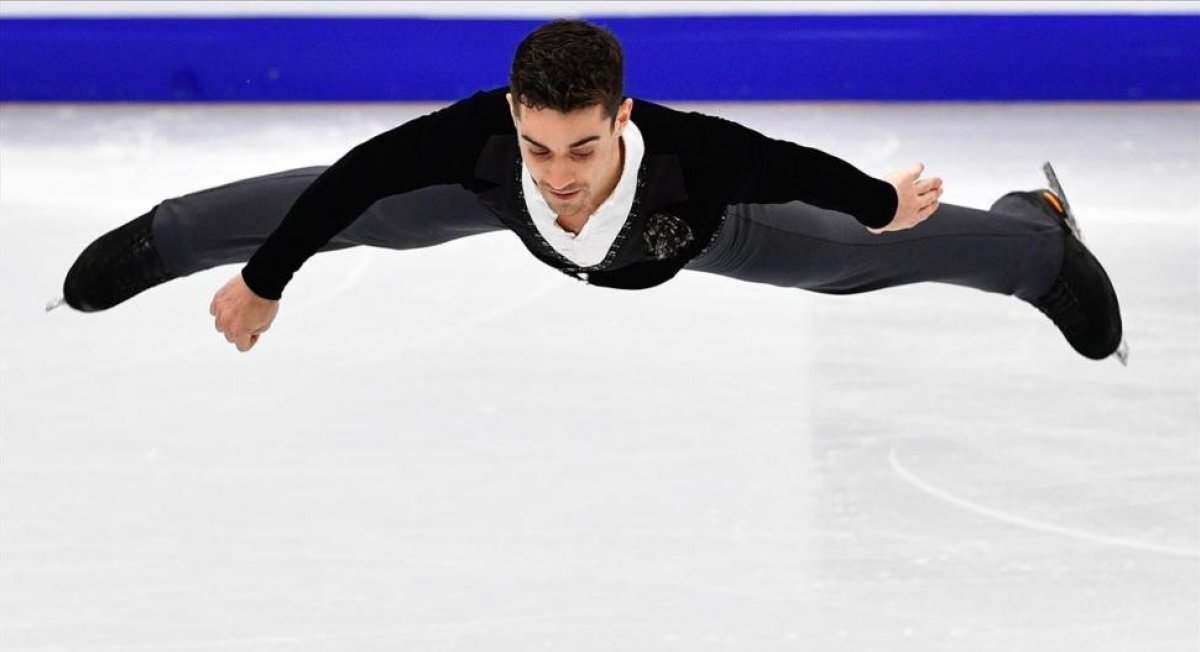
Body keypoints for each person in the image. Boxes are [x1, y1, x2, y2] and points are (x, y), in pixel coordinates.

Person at [57, 19, 1124, 363]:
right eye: (538, 144)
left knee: (845, 259)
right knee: (366, 210)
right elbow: (353, 178)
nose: (560, 173)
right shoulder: (490, 144)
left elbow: (799, 170)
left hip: (684, 234)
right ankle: (168, 238)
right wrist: (262, 279)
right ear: (514, 116)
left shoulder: (697, 160)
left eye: (579, 147)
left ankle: (1037, 244)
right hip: (497, 211)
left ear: (620, 117)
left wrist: (878, 202)